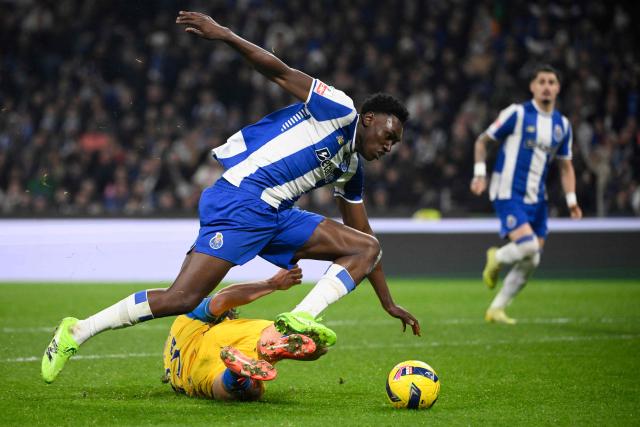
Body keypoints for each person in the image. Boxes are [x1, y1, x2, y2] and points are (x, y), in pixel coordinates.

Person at [42, 10, 420, 384]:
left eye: (396, 144)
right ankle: (77, 332)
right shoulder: (339, 108)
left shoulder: (352, 169)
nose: (390, 146)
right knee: (182, 299)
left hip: (276, 215)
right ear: (369, 118)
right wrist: (224, 34)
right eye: (389, 136)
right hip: (242, 200)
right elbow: (279, 71)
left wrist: (387, 302)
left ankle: (300, 318)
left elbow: (366, 241)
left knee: (365, 247)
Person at [470, 64, 582, 324]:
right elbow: (482, 141)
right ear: (532, 86)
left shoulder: (562, 126)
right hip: (508, 191)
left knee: (533, 258)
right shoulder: (517, 113)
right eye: (541, 81)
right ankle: (496, 256)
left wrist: (572, 200)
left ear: (558, 88)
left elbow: (566, 166)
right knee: (528, 246)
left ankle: (496, 309)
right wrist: (479, 174)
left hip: (537, 199)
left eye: (551, 82)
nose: (546, 86)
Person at [161, 266, 327, 401]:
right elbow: (221, 300)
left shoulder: (181, 328)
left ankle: (235, 377)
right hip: (224, 339)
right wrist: (273, 283)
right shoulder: (200, 317)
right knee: (268, 337)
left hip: (195, 376)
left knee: (228, 389)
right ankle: (284, 342)